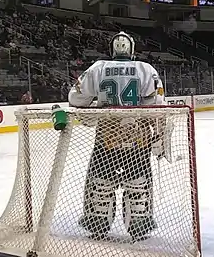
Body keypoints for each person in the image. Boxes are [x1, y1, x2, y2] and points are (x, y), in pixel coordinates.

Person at [68, 31, 167, 241]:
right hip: (138, 137)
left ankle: (98, 223)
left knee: (101, 181)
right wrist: (158, 136)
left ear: (112, 49)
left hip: (107, 136)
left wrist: (95, 106)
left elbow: (76, 98)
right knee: (138, 182)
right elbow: (157, 106)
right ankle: (139, 225)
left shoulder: (98, 67)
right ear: (132, 49)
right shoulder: (146, 68)